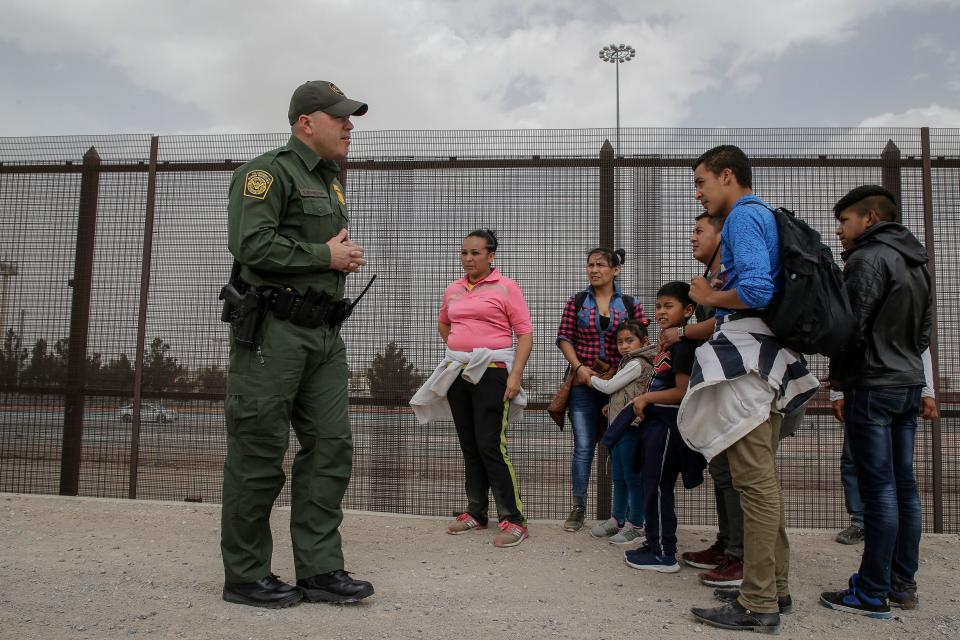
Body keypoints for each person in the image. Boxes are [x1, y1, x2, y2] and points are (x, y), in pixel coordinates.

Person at [220, 80, 373, 608]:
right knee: (259, 450)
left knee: (331, 447)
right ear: (306, 122)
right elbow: (252, 244)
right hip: (274, 333)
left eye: (350, 117)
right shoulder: (267, 173)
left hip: (325, 335)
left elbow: (315, 248)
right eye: (339, 117)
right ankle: (245, 575)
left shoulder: (331, 182)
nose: (349, 125)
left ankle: (320, 568)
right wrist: (325, 256)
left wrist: (339, 257)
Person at [682, 145, 820, 634]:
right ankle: (773, 589)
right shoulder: (761, 216)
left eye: (702, 183)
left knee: (755, 487)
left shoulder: (742, 217)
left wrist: (708, 296)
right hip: (765, 362)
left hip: (749, 365)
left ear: (727, 176)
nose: (698, 192)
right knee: (761, 486)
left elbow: (758, 291)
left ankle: (757, 602)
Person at [820, 185, 932, 619]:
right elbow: (923, 334)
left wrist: (843, 378)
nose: (840, 231)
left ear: (869, 219)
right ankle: (903, 584)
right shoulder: (917, 261)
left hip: (873, 385)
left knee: (879, 489)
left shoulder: (868, 259)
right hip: (906, 382)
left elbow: (851, 327)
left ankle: (869, 592)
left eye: (845, 221)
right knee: (904, 486)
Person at [410, 228, 533, 548]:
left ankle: (514, 519)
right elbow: (444, 322)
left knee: (491, 444)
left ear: (491, 256)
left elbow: (524, 334)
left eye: (475, 253)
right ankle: (476, 512)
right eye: (464, 253)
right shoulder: (453, 289)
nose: (468, 259)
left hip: (493, 374)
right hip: (458, 375)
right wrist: (458, 351)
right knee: (469, 444)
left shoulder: (506, 288)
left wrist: (515, 375)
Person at [663, 213, 745, 588]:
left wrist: (682, 332)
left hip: (738, 389)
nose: (692, 237)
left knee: (740, 477)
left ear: (721, 236)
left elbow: (728, 321)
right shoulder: (711, 280)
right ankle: (728, 544)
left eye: (699, 230)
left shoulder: (733, 275)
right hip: (717, 389)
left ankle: (741, 556)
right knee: (723, 472)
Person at [555, 248, 648, 532]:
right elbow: (564, 337)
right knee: (583, 447)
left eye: (600, 265)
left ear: (615, 270)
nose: (594, 270)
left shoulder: (631, 304)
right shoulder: (578, 302)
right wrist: (579, 368)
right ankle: (578, 506)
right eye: (590, 265)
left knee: (621, 445)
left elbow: (643, 341)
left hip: (620, 386)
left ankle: (627, 513)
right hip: (583, 382)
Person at [622, 281, 704, 573]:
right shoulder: (666, 345)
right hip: (655, 424)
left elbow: (683, 391)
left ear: (688, 310)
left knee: (658, 486)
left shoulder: (683, 347)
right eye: (658, 306)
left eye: (669, 305)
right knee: (650, 484)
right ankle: (653, 542)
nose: (661, 311)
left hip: (667, 427)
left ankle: (664, 553)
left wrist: (647, 397)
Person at [830, 349, 938, 546]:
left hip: (871, 388)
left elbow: (844, 339)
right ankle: (874, 525)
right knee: (891, 467)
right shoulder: (912, 317)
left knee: (868, 462)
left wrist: (838, 388)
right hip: (889, 387)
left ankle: (873, 524)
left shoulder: (867, 316)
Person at [588, 320, 657, 544]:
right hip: (620, 426)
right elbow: (624, 392)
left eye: (630, 340)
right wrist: (613, 406)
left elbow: (609, 387)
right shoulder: (628, 362)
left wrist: (587, 377)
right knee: (618, 476)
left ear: (644, 341)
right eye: (620, 341)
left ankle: (636, 524)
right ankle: (617, 519)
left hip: (631, 427)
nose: (624, 346)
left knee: (631, 477)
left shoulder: (637, 363)